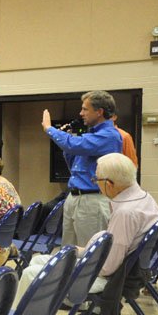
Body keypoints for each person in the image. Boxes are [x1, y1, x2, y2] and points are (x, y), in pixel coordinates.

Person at [15, 153, 158, 309]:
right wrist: (86, 251)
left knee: (31, 273)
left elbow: (107, 268)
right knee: (38, 260)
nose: (96, 184)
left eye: (96, 180)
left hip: (110, 277)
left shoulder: (125, 213)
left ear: (109, 183)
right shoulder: (144, 198)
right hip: (127, 269)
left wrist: (84, 259)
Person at [42, 90, 122, 247]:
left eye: (85, 109)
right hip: (75, 198)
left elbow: (73, 145)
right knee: (69, 251)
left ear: (99, 112)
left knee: (89, 252)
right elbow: (73, 162)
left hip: (92, 200)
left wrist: (49, 129)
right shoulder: (90, 136)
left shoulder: (109, 135)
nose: (81, 113)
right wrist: (68, 139)